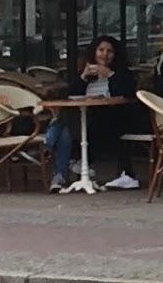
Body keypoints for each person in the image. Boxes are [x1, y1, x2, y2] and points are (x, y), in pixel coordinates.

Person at [45, 35, 138, 192]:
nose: (105, 54)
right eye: (101, 50)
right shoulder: (87, 72)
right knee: (66, 128)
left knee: (65, 127)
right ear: (94, 52)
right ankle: (63, 173)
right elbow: (71, 94)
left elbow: (125, 94)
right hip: (84, 117)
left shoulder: (121, 73)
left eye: (109, 51)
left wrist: (110, 74)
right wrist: (83, 77)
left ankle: (52, 150)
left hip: (110, 118)